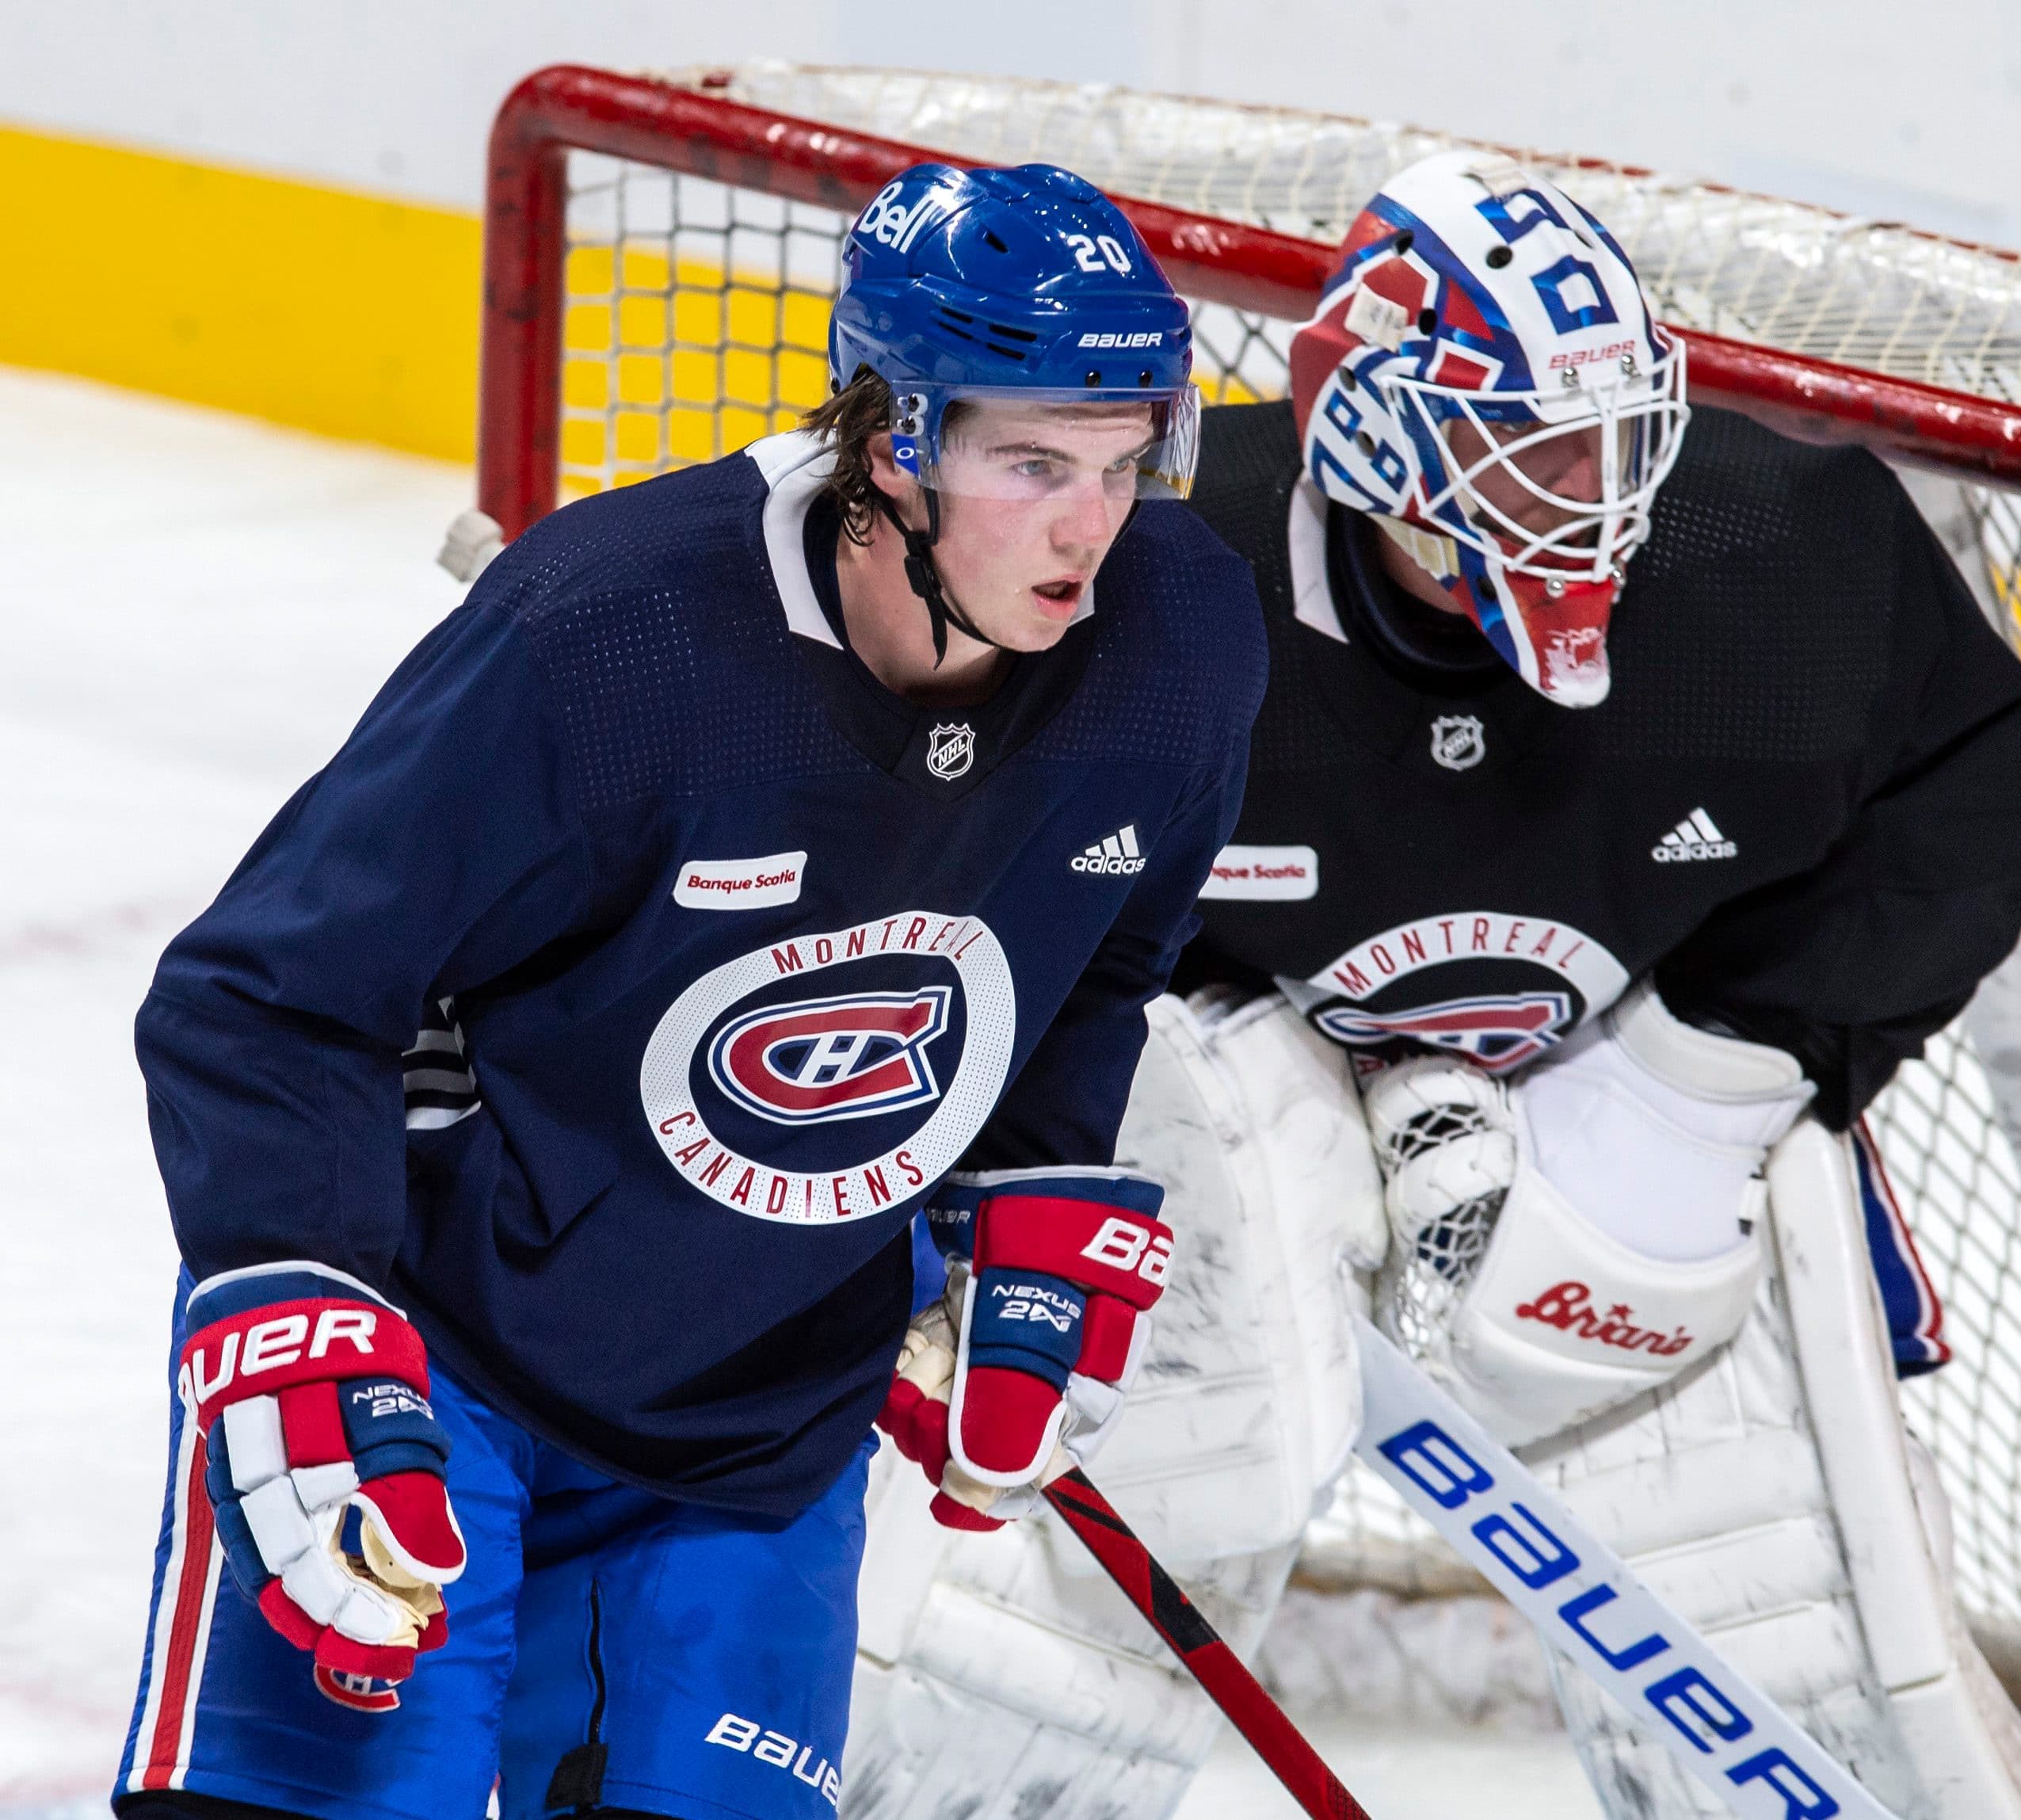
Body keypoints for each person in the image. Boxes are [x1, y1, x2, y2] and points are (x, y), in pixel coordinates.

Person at [843, 150, 2021, 1819]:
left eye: (1620, 438)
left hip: (1624, 1064)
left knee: (1752, 1574)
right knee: (1127, 1475)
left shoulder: (1778, 560)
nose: (1601, 498)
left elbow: (1975, 770)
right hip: (1215, 1053)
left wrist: (1718, 1074)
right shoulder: (1155, 592)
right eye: (1526, 448)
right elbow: (928, 848)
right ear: (1371, 443)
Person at [112, 158, 1266, 1820]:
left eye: (1124, 456)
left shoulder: (1182, 641)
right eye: (1031, 462)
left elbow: (1105, 954)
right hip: (433, 1369)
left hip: (759, 1428)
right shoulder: (615, 635)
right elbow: (267, 999)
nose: (1092, 523)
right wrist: (295, 1313)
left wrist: (1033, 1176)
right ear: (900, 447)